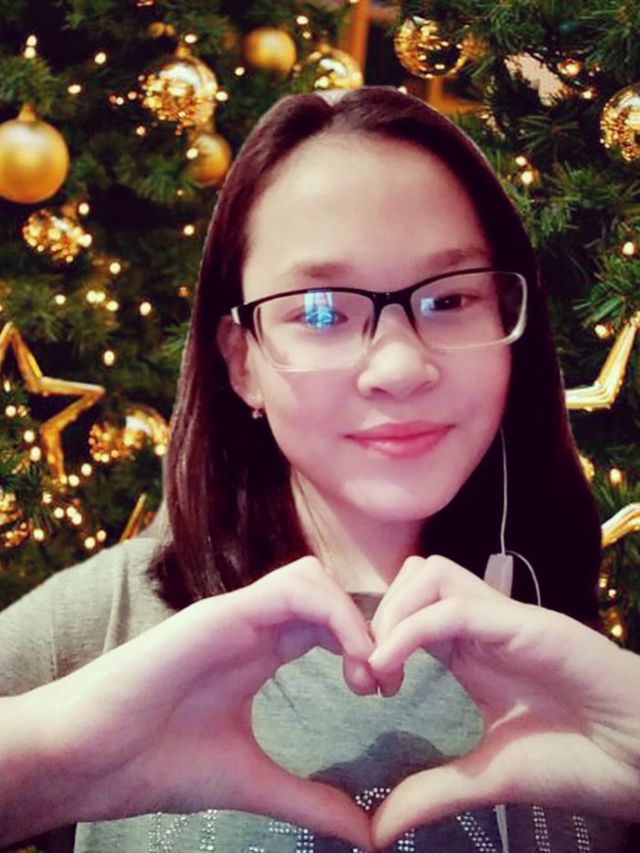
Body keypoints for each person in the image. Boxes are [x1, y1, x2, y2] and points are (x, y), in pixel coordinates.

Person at [0, 85, 638, 852]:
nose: (399, 367)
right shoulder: (108, 619)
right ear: (243, 362)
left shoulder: (585, 652)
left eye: (451, 300)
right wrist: (45, 761)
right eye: (321, 311)